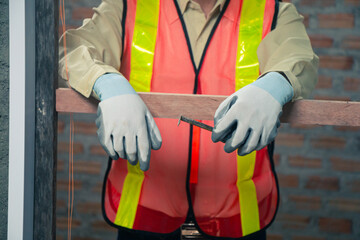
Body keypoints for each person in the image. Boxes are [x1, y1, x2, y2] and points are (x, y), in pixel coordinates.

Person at [59, 0, 318, 239]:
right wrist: (107, 82)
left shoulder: (272, 11)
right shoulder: (128, 6)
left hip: (237, 218)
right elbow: (72, 50)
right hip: (144, 214)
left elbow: (299, 57)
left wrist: (277, 84)